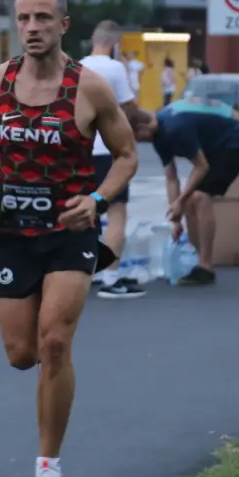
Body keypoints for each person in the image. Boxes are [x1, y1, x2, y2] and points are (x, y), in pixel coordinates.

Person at [0, 0, 140, 477]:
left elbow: (127, 154)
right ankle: (45, 400)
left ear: (63, 25)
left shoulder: (89, 87)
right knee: (21, 354)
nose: (32, 28)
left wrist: (98, 200)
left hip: (68, 231)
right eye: (23, 18)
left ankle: (48, 468)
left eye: (43, 18)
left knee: (55, 341)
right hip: (12, 232)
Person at [132, 94, 239, 286]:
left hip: (237, 140)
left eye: (135, 137)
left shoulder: (175, 128)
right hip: (215, 143)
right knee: (189, 199)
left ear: (145, 127)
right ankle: (195, 261)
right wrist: (175, 218)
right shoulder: (159, 135)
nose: (135, 142)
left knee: (199, 197)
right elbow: (171, 177)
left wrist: (180, 201)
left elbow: (202, 166)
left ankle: (205, 266)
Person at [79, 20, 146, 299]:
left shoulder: (76, 66)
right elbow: (128, 107)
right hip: (108, 149)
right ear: (113, 43)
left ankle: (86, 272)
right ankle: (111, 277)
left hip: (80, 150)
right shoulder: (116, 68)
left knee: (85, 214)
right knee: (117, 212)